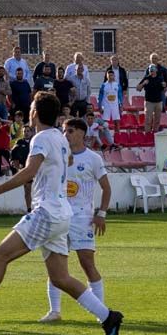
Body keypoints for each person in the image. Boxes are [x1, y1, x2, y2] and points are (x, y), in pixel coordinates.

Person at [0, 91, 123, 335]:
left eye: (32, 107)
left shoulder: (41, 138)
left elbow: (29, 172)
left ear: (35, 113)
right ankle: (108, 317)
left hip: (46, 212)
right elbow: (65, 160)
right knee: (60, 278)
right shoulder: (59, 139)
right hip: (62, 214)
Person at [40, 118, 110, 323]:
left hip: (82, 218)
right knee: (55, 265)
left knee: (87, 263)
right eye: (63, 130)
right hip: (59, 216)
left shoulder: (93, 158)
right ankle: (54, 311)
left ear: (82, 133)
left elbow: (106, 187)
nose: (66, 134)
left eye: (70, 131)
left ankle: (101, 313)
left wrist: (101, 214)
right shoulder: (59, 156)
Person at [137, 64, 166, 133]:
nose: (151, 72)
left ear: (156, 70)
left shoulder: (160, 78)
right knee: (148, 119)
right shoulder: (146, 78)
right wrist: (143, 83)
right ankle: (147, 133)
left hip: (158, 101)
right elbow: (138, 88)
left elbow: (164, 90)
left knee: (157, 119)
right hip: (149, 102)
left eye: (153, 70)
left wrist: (164, 86)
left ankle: (155, 132)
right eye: (150, 71)